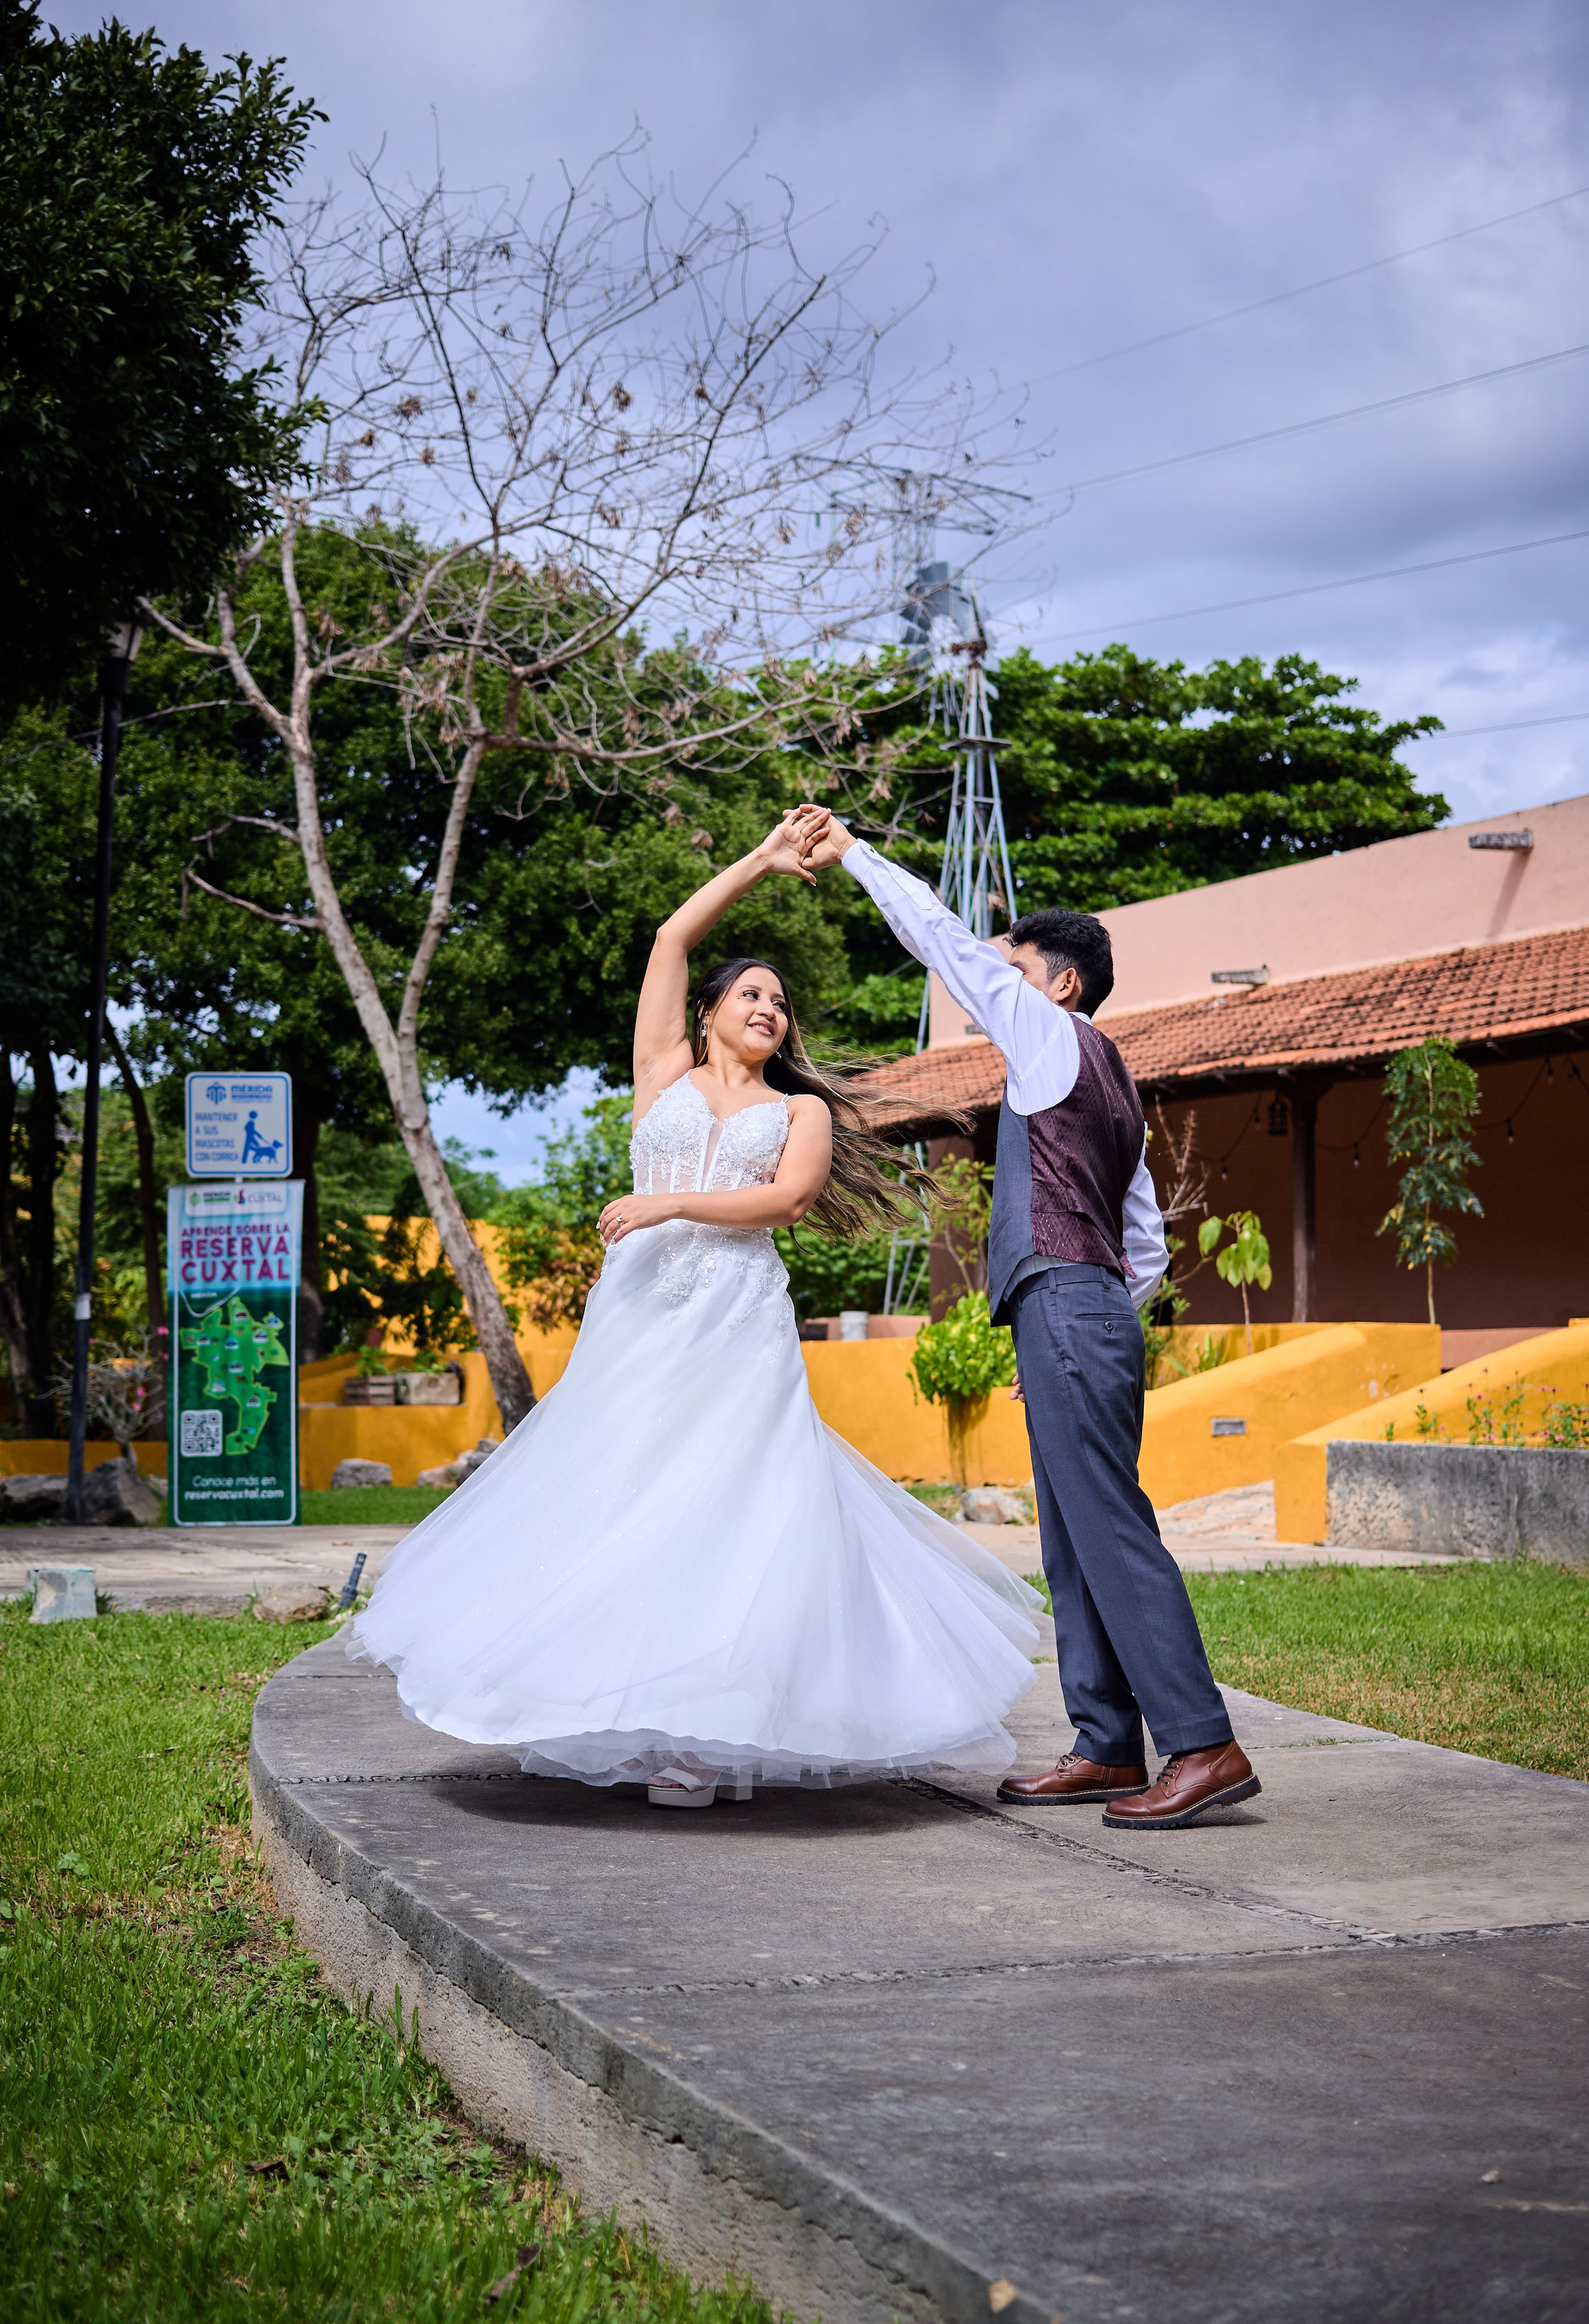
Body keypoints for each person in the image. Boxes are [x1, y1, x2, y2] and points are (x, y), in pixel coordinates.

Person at [347, 813, 1042, 1806]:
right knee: (625, 1501)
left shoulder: (799, 1110)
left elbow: (789, 1202)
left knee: (731, 1508)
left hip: (735, 1320)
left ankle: (712, 1742)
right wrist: (761, 861)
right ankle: (620, 1710)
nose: (770, 1007)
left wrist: (668, 1201)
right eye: (752, 993)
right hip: (638, 1322)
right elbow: (672, 939)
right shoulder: (660, 1074)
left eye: (783, 1001)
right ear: (710, 1011)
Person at [792, 805, 1259, 1831]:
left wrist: (859, 852)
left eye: (1017, 965)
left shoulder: (1049, 1039)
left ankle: (1202, 1741)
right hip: (1080, 1309)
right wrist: (1080, 1314)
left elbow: (944, 943)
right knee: (1072, 1536)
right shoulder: (1118, 1084)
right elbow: (1144, 1247)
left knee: (1109, 1528)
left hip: (1071, 1307)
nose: (993, 983)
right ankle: (1104, 1744)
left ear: (1060, 984)